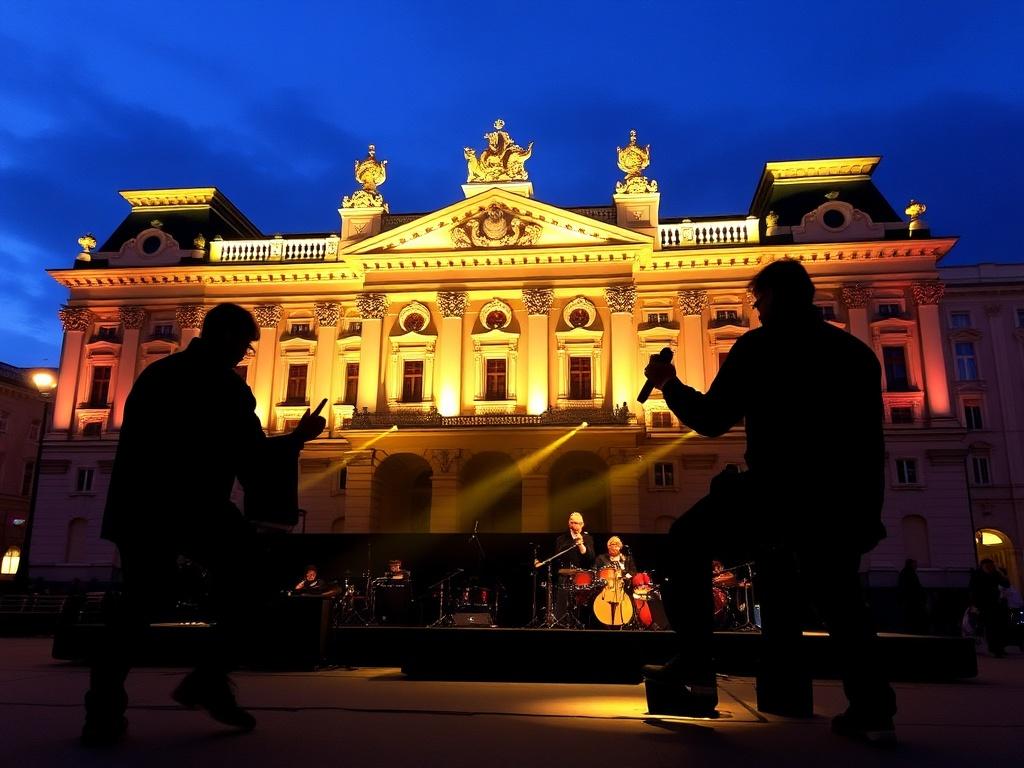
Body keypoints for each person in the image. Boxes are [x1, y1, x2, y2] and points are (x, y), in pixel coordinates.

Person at [640, 259, 897, 745]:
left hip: (778, 490)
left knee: (683, 541)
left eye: (758, 301)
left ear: (775, 298)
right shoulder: (855, 354)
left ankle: (695, 665)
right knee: (841, 600)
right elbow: (871, 444)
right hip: (842, 498)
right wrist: (867, 511)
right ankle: (873, 709)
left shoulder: (760, 347)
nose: (755, 311)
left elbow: (712, 419)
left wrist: (668, 382)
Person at [81, 303, 326, 747]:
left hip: (139, 505)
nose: (245, 353)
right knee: (257, 581)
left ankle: (103, 708)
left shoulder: (158, 374)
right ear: (227, 337)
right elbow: (251, 454)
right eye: (244, 345)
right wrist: (297, 439)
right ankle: (209, 677)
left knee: (140, 602)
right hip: (194, 506)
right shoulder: (226, 386)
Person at [969, 559, 1010, 657]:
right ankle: (994, 649)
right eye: (987, 566)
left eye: (991, 566)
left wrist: (1001, 574)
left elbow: (1006, 584)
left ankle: (999, 648)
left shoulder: (995, 574)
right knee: (990, 628)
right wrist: (975, 605)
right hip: (984, 605)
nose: (989, 568)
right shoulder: (977, 576)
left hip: (995, 604)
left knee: (998, 627)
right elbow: (973, 591)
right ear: (982, 566)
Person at [896, 558, 929, 634]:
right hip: (911, 600)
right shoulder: (910, 573)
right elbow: (915, 586)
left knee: (909, 616)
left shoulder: (905, 572)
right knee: (912, 616)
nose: (916, 565)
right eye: (915, 564)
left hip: (908, 600)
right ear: (911, 564)